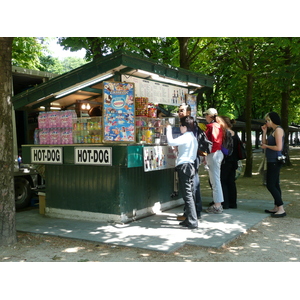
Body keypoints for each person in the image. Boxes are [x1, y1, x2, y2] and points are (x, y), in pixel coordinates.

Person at [166, 115, 198, 229]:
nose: (179, 128)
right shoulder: (193, 138)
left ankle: (193, 221)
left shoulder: (185, 137)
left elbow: (170, 141)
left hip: (184, 166)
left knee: (187, 195)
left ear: (184, 126)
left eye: (180, 125)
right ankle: (189, 218)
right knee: (190, 194)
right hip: (190, 166)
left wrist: (168, 128)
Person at [177, 103, 202, 220]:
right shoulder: (188, 125)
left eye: (182, 110)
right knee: (191, 188)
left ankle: (192, 214)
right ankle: (191, 214)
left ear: (188, 112)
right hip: (190, 160)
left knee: (191, 188)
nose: (179, 112)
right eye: (178, 111)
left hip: (190, 160)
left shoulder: (191, 126)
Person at [261, 112, 286, 218]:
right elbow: (264, 143)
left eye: (267, 120)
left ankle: (281, 208)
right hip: (271, 160)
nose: (266, 123)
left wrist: (266, 146)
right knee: (275, 184)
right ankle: (277, 206)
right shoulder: (273, 131)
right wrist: (264, 132)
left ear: (272, 120)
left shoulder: (279, 130)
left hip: (275, 160)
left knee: (270, 184)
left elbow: (279, 148)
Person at [204, 108, 225, 214]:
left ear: (209, 116)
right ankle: (218, 204)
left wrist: (206, 154)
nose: (205, 117)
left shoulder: (213, 126)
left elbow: (215, 142)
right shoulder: (217, 125)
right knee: (215, 180)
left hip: (214, 154)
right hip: (215, 154)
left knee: (215, 181)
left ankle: (217, 205)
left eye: (205, 115)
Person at [220, 116, 239, 209]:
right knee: (231, 182)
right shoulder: (235, 134)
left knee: (223, 181)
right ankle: (233, 202)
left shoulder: (224, 133)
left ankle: (225, 202)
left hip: (226, 160)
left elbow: (224, 149)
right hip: (234, 160)